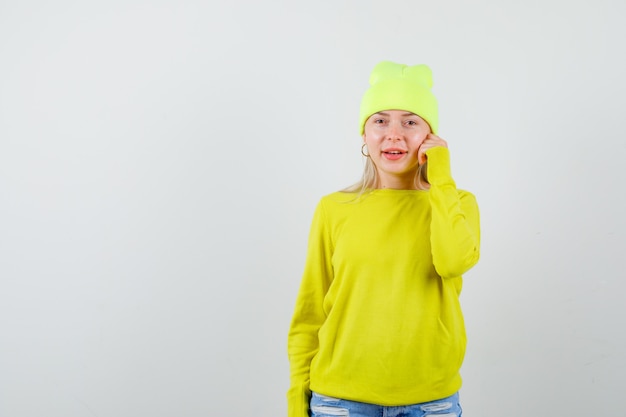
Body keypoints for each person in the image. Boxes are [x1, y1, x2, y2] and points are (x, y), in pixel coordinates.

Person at [287, 61, 480, 417]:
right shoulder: (334, 208)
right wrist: (298, 401)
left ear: (430, 135)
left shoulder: (456, 202)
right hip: (339, 401)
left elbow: (453, 261)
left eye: (410, 122)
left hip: (431, 401)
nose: (394, 134)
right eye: (380, 120)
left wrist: (441, 176)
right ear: (364, 135)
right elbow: (310, 312)